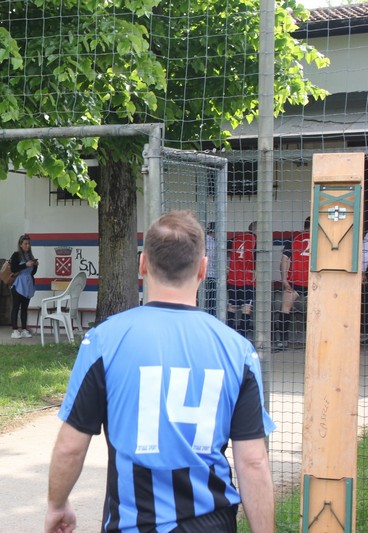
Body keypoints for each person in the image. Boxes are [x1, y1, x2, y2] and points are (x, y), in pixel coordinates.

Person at [45, 210, 275, 533]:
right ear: (203, 268)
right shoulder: (238, 351)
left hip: (133, 524)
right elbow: (252, 461)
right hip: (211, 524)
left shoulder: (103, 341)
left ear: (142, 264)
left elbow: (71, 446)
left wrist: (57, 505)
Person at [275, 216, 310, 351]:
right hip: (313, 280)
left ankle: (282, 341)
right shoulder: (320, 239)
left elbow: (284, 259)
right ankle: (313, 341)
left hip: (295, 279)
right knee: (315, 311)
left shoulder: (295, 238)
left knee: (285, 309)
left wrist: (284, 279)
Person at [227, 221, 257, 337]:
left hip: (233, 277)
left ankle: (228, 334)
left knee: (232, 306)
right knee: (246, 307)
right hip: (248, 278)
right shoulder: (256, 240)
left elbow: (224, 249)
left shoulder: (236, 238)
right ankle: (243, 335)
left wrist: (228, 266)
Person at [9, 233, 39, 339]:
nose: (28, 246)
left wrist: (35, 266)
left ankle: (24, 329)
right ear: (21, 245)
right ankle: (15, 330)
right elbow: (13, 269)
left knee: (25, 308)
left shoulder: (30, 256)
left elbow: (32, 272)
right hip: (18, 284)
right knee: (16, 307)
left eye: (29, 244)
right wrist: (25, 265)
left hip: (28, 284)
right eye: (25, 244)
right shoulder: (16, 255)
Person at [203, 221, 218, 315]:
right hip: (211, 273)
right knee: (211, 299)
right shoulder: (212, 242)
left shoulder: (204, 240)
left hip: (204, 273)